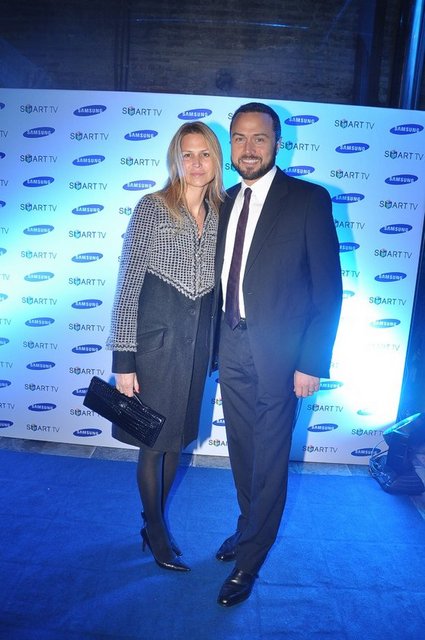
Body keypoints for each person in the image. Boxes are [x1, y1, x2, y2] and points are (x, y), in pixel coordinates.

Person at [212, 102, 342, 606]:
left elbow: (328, 289)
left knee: (269, 457)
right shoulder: (223, 201)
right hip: (231, 344)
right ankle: (250, 527)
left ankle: (250, 560)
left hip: (284, 356)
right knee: (243, 450)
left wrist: (312, 361)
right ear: (231, 144)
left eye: (259, 138)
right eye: (240, 138)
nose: (249, 149)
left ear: (277, 143)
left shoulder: (308, 199)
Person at [107, 121, 224, 572]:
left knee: (177, 442)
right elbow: (128, 284)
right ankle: (155, 530)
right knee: (153, 443)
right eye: (187, 154)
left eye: (205, 154)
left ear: (216, 160)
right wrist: (124, 360)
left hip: (197, 350)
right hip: (155, 349)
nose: (196, 163)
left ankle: (152, 521)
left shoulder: (223, 212)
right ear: (176, 159)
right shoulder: (152, 207)